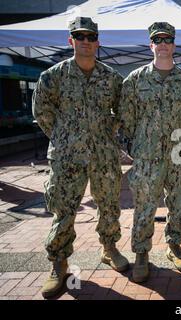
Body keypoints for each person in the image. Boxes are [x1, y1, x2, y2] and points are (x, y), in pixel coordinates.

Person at [32, 17, 128, 298]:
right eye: (79, 36)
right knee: (63, 210)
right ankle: (59, 264)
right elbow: (41, 112)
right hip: (67, 157)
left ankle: (109, 248)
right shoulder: (52, 77)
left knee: (109, 204)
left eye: (90, 36)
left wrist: (105, 133)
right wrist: (63, 137)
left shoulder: (111, 78)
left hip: (103, 155)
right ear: (70, 40)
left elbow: (122, 111)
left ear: (97, 41)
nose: (85, 40)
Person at [120, 22, 181, 283]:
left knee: (178, 203)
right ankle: (141, 253)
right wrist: (137, 146)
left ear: (174, 45)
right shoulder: (135, 80)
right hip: (147, 156)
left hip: (178, 154)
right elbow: (126, 118)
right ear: (151, 45)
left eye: (168, 39)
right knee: (144, 206)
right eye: (158, 39)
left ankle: (174, 246)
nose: (163, 43)